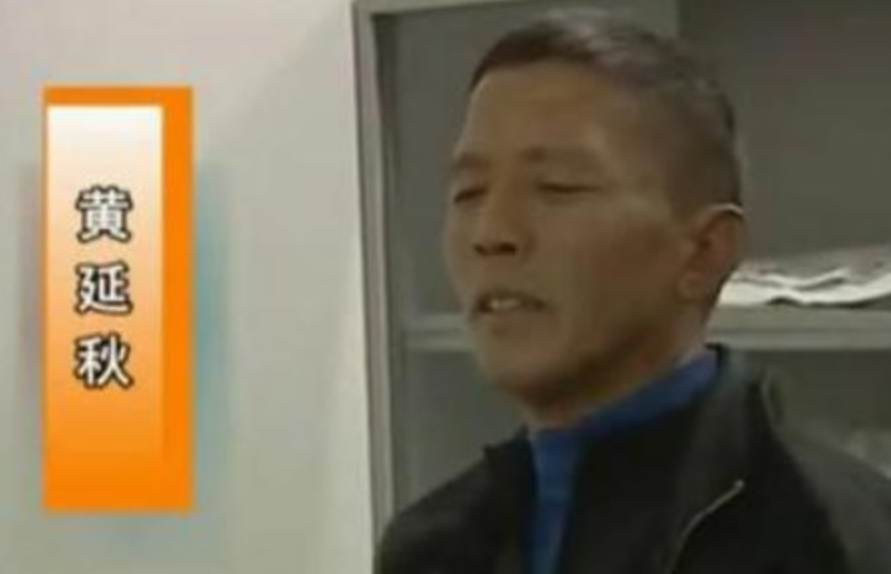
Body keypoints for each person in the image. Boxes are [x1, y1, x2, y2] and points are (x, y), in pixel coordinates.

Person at [375, 9, 891, 574]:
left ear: (705, 251)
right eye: (469, 192)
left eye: (557, 187)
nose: (492, 232)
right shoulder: (430, 548)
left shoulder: (830, 537)